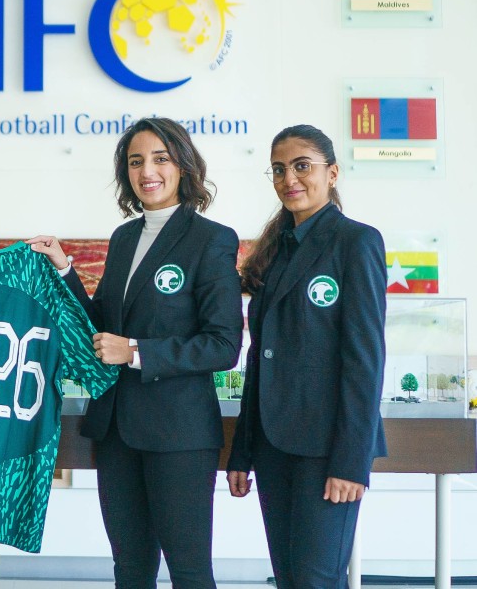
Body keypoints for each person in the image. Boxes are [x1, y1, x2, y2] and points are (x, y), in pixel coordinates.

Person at [29, 116, 243, 588]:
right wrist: (64, 270)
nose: (148, 171)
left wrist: (138, 352)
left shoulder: (212, 239)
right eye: (136, 161)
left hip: (179, 434)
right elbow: (103, 328)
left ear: (184, 166)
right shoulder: (125, 237)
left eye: (161, 158)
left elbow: (224, 344)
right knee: (129, 569)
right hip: (117, 432)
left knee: (188, 571)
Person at [226, 124, 386, 588]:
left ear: (331, 173)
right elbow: (261, 359)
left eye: (302, 166)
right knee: (290, 578)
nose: (289, 179)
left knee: (317, 580)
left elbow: (364, 361)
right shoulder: (274, 252)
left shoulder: (356, 242)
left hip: (326, 449)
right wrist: (244, 450)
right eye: (279, 169)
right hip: (275, 447)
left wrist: (350, 463)